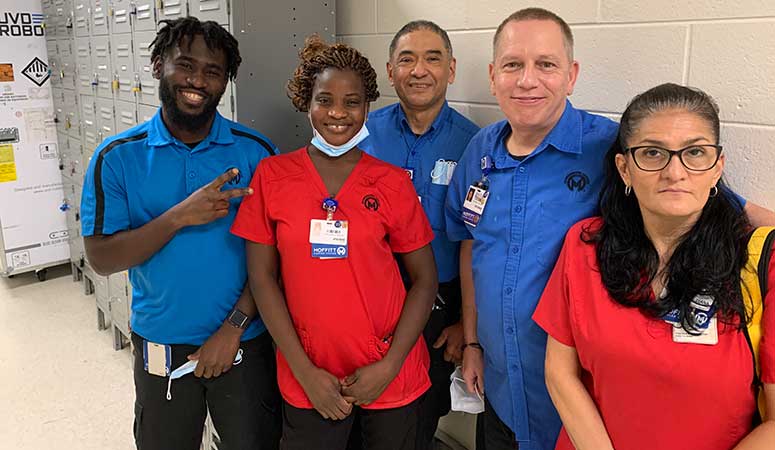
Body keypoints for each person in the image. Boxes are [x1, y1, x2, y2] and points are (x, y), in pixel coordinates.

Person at [444, 7, 775, 450]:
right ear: (492, 75)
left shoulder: (613, 147)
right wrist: (472, 343)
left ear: (571, 75)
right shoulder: (479, 150)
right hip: (501, 390)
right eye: (512, 65)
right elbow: (472, 246)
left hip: (574, 406)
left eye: (546, 64)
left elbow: (702, 196)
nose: (527, 80)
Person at [533, 83, 775, 449]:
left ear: (717, 168)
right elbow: (560, 372)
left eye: (694, 152)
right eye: (652, 153)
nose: (675, 172)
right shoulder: (586, 245)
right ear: (625, 169)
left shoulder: (760, 261)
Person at [80, 17, 281, 450]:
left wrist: (233, 328)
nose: (198, 81)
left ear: (225, 82)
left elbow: (275, 257)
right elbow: (102, 258)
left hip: (243, 342)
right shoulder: (116, 158)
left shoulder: (257, 152)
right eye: (186, 66)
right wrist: (179, 216)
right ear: (157, 66)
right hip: (160, 342)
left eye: (213, 72)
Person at [231, 36, 438, 450]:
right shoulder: (273, 177)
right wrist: (305, 372)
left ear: (367, 106)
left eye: (353, 102)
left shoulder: (392, 183)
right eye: (325, 100)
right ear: (307, 102)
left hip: (389, 371)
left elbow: (425, 281)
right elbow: (263, 278)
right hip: (309, 373)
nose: (338, 113)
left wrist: (390, 364)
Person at [358, 20, 480, 449]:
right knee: (359, 410)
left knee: (417, 419)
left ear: (450, 69)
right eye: (407, 59)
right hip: (365, 300)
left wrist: (466, 320)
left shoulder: (475, 145)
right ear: (390, 71)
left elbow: (479, 240)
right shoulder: (362, 135)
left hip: (439, 306)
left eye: (432, 58)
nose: (419, 69)